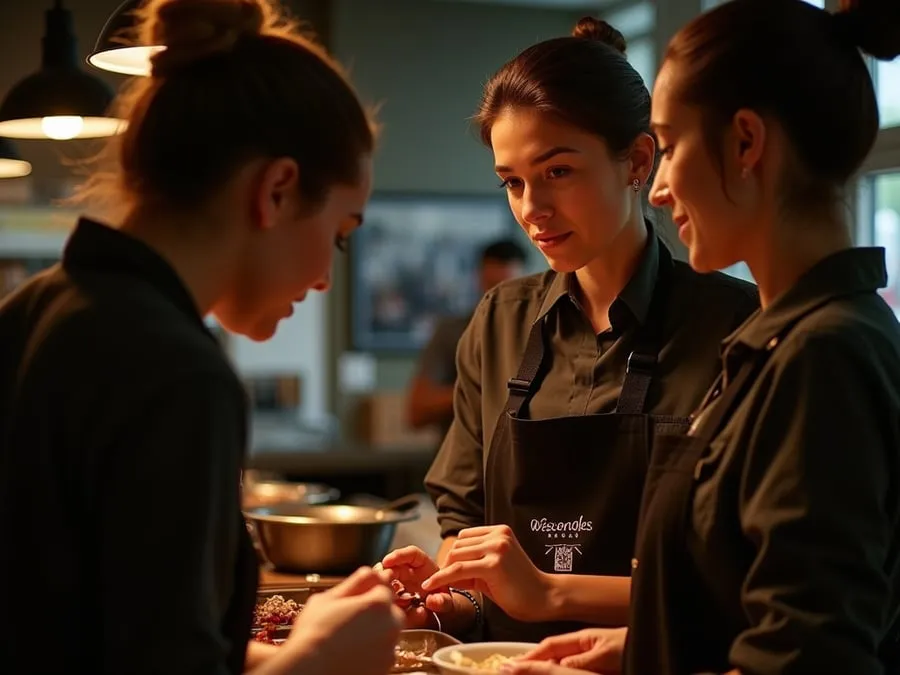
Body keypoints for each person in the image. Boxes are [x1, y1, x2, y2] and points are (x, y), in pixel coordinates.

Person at [0, 0, 405, 673]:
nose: (326, 279)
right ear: (276, 190)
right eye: (339, 234)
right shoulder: (176, 372)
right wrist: (323, 660)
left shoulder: (34, 311)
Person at [500, 0, 900, 674]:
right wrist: (641, 649)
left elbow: (806, 660)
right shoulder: (774, 343)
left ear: (745, 143)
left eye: (671, 146)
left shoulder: (823, 355)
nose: (655, 190)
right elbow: (750, 609)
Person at [381, 17, 759, 643]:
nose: (532, 208)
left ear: (638, 161)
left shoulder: (736, 327)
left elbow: (745, 582)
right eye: (513, 182)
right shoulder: (499, 321)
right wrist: (450, 601)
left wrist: (546, 593)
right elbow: (466, 526)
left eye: (558, 171)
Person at [407, 238, 528, 438]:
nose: (501, 298)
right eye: (492, 286)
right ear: (479, 278)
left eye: (510, 288)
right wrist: (479, 389)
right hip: (466, 461)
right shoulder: (452, 333)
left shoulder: (544, 332)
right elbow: (416, 411)